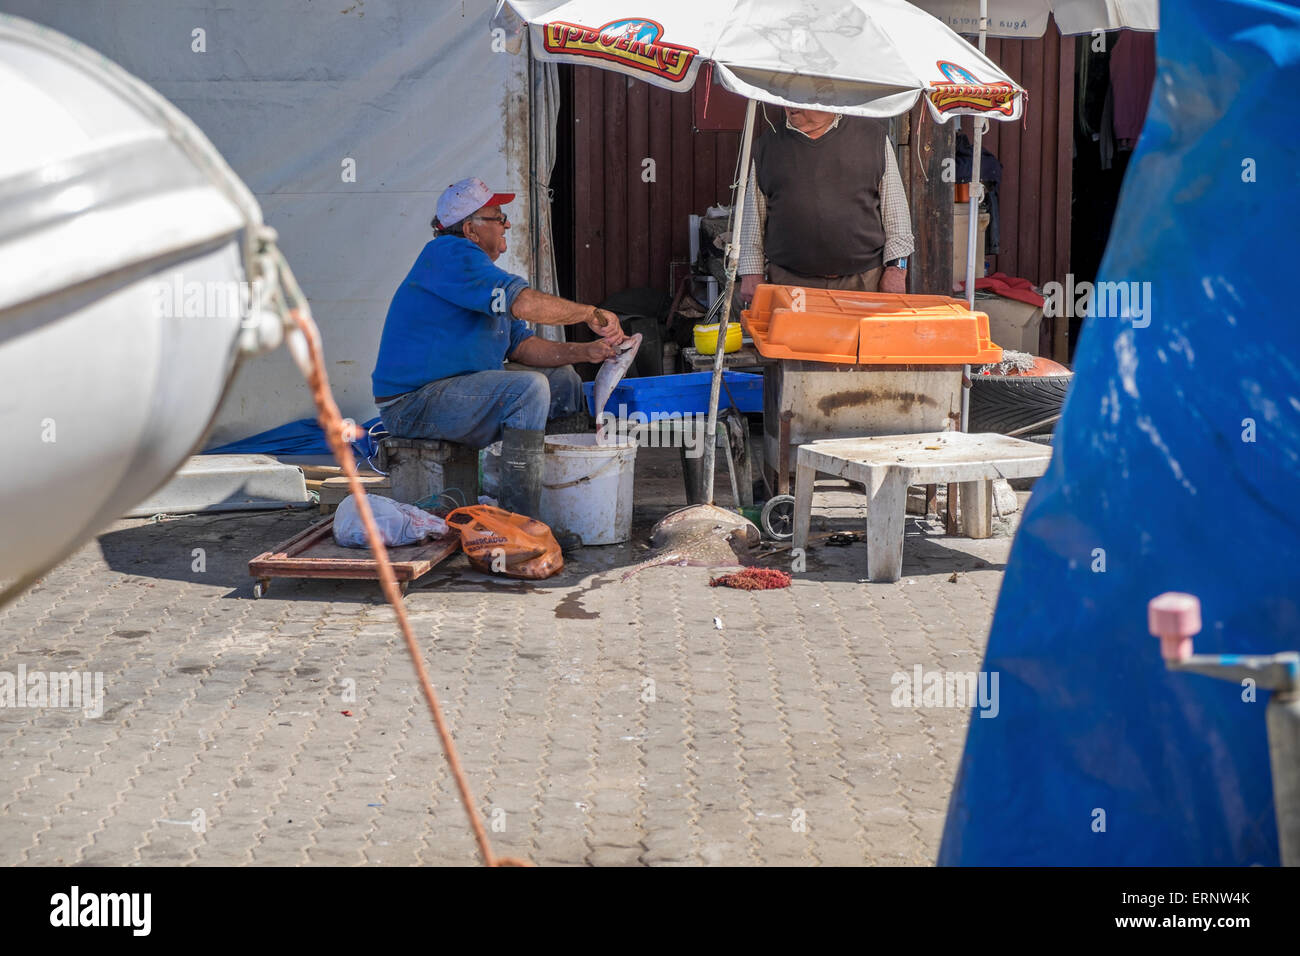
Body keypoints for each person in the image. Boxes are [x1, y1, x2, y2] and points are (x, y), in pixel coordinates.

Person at [371, 177, 625, 520]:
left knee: (563, 381)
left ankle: (561, 502)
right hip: (414, 403)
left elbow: (521, 346)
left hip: (451, 393)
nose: (507, 223)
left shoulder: (477, 273)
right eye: (498, 217)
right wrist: (589, 313)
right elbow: (521, 303)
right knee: (528, 389)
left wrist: (586, 352)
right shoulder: (449, 254)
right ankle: (519, 521)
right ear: (471, 230)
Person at [738, 107, 915, 303]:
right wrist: (751, 271)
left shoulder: (872, 137)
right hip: (789, 282)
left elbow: (896, 213)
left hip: (862, 280)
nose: (788, 104)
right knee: (792, 334)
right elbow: (753, 216)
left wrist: (896, 269)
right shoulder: (768, 144)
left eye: (798, 95)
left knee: (861, 334)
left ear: (825, 95)